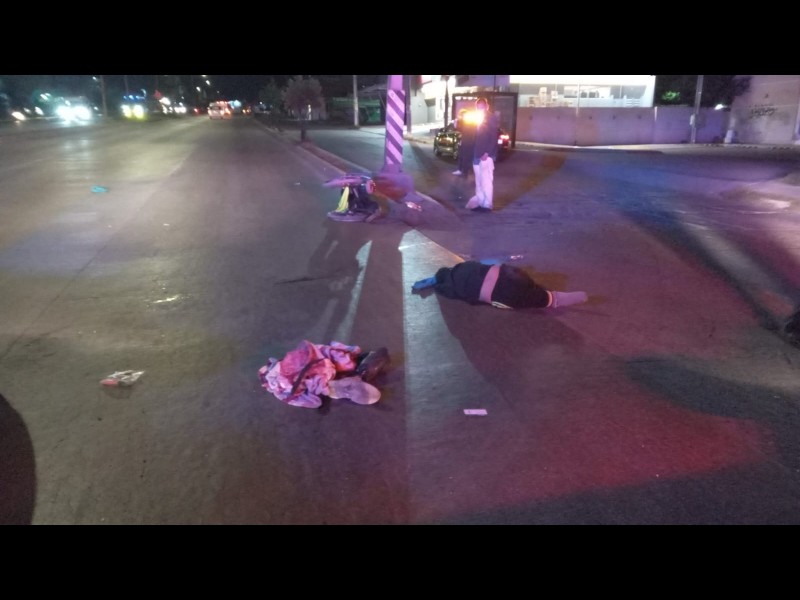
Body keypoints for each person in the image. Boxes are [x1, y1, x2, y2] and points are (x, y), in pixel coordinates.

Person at [411, 260, 588, 310]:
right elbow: (480, 266)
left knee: (524, 298)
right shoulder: (462, 267)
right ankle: (549, 296)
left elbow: (470, 297)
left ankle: (552, 299)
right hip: (504, 273)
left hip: (496, 290)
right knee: (525, 287)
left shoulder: (450, 287)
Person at [465, 97, 499, 212]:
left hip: (485, 154)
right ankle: (480, 201)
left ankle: (487, 204)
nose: (480, 109)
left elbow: (493, 137)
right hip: (476, 153)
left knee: (486, 180)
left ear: (486, 107)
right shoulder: (477, 119)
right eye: (478, 107)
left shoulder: (491, 117)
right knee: (479, 180)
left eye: (482, 107)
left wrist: (487, 152)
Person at [452, 108, 476, 178]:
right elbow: (458, 128)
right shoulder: (462, 122)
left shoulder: (470, 122)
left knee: (466, 157)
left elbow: (470, 132)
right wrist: (456, 122)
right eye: (461, 115)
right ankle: (460, 170)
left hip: (469, 142)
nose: (462, 116)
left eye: (463, 115)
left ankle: (465, 172)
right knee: (461, 156)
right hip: (463, 142)